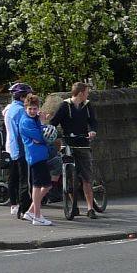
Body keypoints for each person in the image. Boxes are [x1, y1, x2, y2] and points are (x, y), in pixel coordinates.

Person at [49, 81, 100, 218]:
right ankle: (73, 206)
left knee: (86, 177)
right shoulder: (65, 106)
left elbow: (93, 121)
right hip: (68, 143)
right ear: (81, 93)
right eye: (87, 92)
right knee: (70, 176)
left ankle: (90, 208)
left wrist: (93, 130)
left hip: (83, 143)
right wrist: (52, 132)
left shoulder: (87, 105)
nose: (88, 95)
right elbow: (54, 122)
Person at [16, 94, 54, 226]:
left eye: (34, 108)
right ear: (25, 108)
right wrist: (42, 124)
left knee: (47, 185)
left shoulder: (34, 119)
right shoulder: (26, 122)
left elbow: (43, 137)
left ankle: (31, 212)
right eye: (30, 109)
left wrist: (42, 126)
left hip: (41, 155)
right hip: (35, 156)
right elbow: (43, 136)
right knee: (37, 186)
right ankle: (37, 216)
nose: (32, 111)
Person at [2, 82, 32, 217]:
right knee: (24, 179)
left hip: (12, 146)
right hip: (21, 148)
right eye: (28, 96)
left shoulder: (11, 108)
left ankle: (15, 205)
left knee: (14, 177)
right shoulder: (20, 110)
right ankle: (23, 208)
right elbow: (23, 130)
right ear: (22, 97)